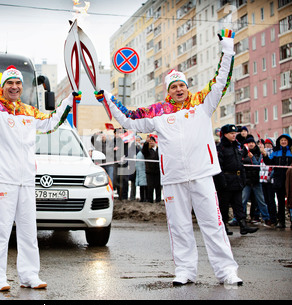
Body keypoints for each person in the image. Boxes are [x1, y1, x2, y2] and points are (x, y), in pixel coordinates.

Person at [95, 30, 242, 286]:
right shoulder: (158, 113)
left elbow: (221, 80)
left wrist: (227, 48)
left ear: (187, 87)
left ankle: (226, 271)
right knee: (179, 227)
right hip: (173, 178)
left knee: (213, 224)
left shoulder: (202, 103)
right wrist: (107, 99)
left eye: (181, 85)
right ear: (168, 91)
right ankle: (185, 270)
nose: (178, 90)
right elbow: (128, 117)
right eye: (173, 87)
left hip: (201, 173)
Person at [0, 46, 78, 291]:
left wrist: (69, 101)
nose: (15, 87)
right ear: (3, 86)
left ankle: (29, 275)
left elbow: (51, 123)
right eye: (10, 83)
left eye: (18, 83)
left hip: (26, 178)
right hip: (1, 178)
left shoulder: (28, 112)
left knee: (28, 230)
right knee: (1, 230)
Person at [214, 125, 258, 235]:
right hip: (226, 180)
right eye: (231, 133)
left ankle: (243, 226)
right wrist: (221, 182)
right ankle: (223, 227)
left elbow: (240, 163)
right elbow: (219, 166)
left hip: (237, 180)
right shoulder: (221, 148)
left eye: (234, 133)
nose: (234, 135)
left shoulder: (237, 146)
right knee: (224, 206)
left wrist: (243, 179)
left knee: (238, 205)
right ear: (225, 134)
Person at [261, 134, 292, 229]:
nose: (283, 142)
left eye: (285, 140)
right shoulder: (275, 152)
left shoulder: (291, 151)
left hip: (290, 180)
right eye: (281, 140)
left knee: (291, 201)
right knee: (280, 202)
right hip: (279, 180)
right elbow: (269, 163)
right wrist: (264, 154)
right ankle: (281, 222)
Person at [241, 136, 272, 226]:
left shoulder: (259, 152)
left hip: (256, 181)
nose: (251, 144)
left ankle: (266, 218)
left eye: (253, 143)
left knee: (261, 201)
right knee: (243, 200)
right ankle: (241, 218)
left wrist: (252, 158)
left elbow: (257, 165)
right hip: (246, 181)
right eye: (249, 143)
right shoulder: (242, 153)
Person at [260, 138, 277, 224]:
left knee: (271, 200)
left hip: (270, 180)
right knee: (265, 200)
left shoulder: (273, 153)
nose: (267, 145)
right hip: (262, 179)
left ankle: (273, 218)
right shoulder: (261, 153)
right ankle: (268, 218)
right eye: (266, 144)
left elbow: (270, 164)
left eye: (269, 144)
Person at [142, 135, 161, 202]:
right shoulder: (147, 151)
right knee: (150, 187)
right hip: (149, 172)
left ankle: (158, 200)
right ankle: (150, 200)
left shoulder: (159, 150)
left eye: (152, 141)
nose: (151, 142)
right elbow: (143, 150)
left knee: (158, 187)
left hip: (158, 172)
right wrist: (146, 142)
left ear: (155, 142)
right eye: (150, 141)